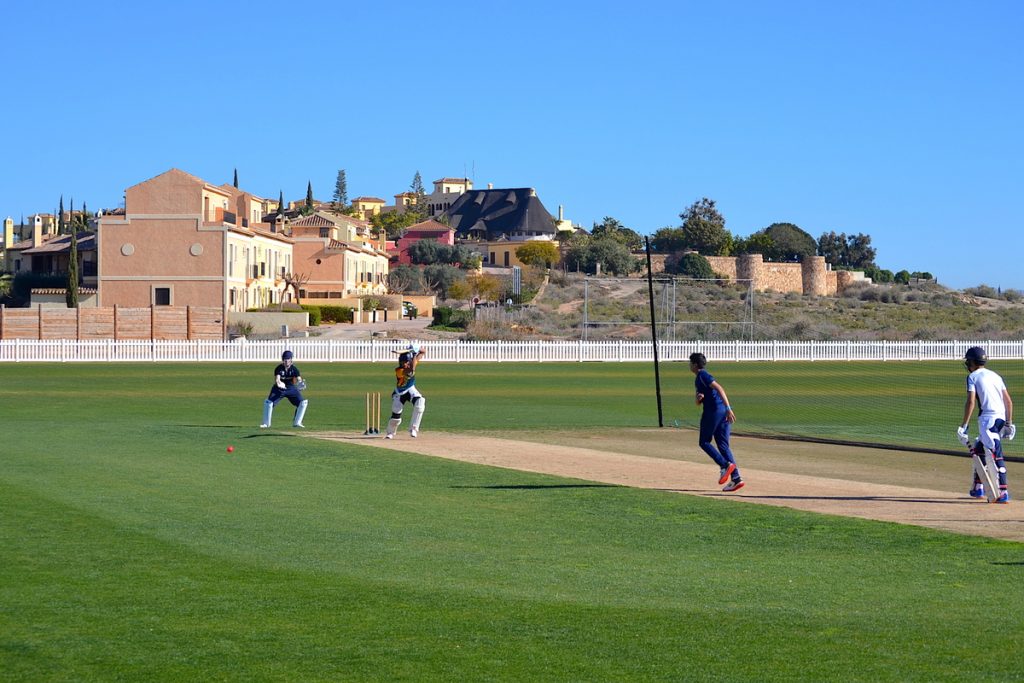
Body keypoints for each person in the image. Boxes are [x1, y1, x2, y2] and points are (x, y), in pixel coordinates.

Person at [957, 346, 1015, 503]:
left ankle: (1003, 491)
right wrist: (1009, 423)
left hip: (987, 420)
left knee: (995, 454)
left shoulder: (973, 377)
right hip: (1001, 418)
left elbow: (971, 402)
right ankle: (977, 488)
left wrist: (964, 426)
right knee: (979, 449)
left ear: (971, 362)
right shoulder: (996, 376)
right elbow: (1008, 401)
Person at [689, 352, 744, 492]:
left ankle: (724, 465)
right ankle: (736, 479)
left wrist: (728, 408)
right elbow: (698, 402)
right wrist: (699, 398)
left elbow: (720, 388)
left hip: (714, 412)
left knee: (704, 442)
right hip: (722, 413)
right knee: (723, 445)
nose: (689, 365)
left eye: (690, 363)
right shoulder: (699, 379)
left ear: (695, 365)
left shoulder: (703, 375)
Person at [385, 344, 426, 439]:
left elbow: (423, 352)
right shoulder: (399, 370)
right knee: (396, 416)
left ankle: (414, 429)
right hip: (399, 392)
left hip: (411, 388)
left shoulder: (412, 362)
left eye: (405, 362)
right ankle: (390, 433)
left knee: (420, 403)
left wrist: (416, 349)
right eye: (402, 362)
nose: (404, 364)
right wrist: (414, 355)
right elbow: (411, 369)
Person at [260, 349, 308, 429]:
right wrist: (279, 383)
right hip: (279, 389)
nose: (286, 361)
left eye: (288, 359)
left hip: (291, 388)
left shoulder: (294, 369)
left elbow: (299, 379)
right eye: (285, 359)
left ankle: (297, 422)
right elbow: (277, 378)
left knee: (303, 403)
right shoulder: (279, 368)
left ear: (291, 359)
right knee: (269, 403)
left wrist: (301, 384)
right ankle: (266, 424)